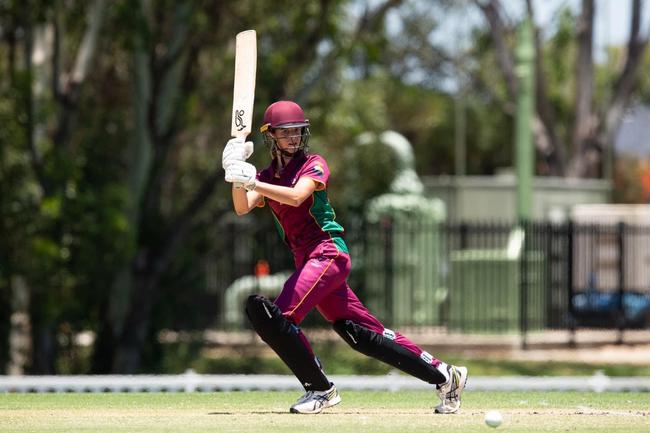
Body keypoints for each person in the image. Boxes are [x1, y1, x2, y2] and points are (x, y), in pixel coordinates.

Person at [222, 100, 467, 414]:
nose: (294, 138)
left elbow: (297, 196)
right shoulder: (269, 175)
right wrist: (233, 173)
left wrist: (252, 180)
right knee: (360, 334)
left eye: (298, 131)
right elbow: (242, 207)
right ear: (271, 136)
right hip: (308, 260)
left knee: (275, 316)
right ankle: (446, 376)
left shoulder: (313, 163)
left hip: (328, 253)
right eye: (286, 133)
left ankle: (320, 389)